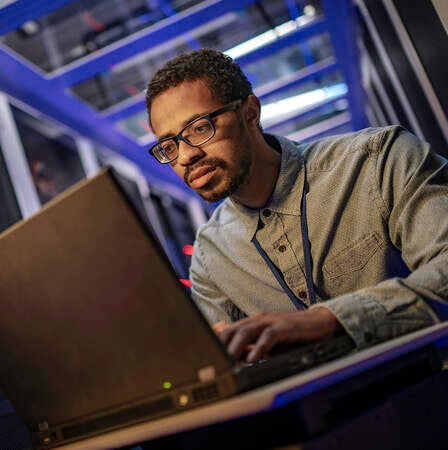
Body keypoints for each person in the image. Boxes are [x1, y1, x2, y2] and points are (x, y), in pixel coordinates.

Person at [145, 48, 448, 363]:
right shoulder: (210, 256)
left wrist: (329, 320)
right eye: (169, 145)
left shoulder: (377, 160)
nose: (184, 156)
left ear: (250, 112)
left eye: (199, 128)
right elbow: (217, 368)